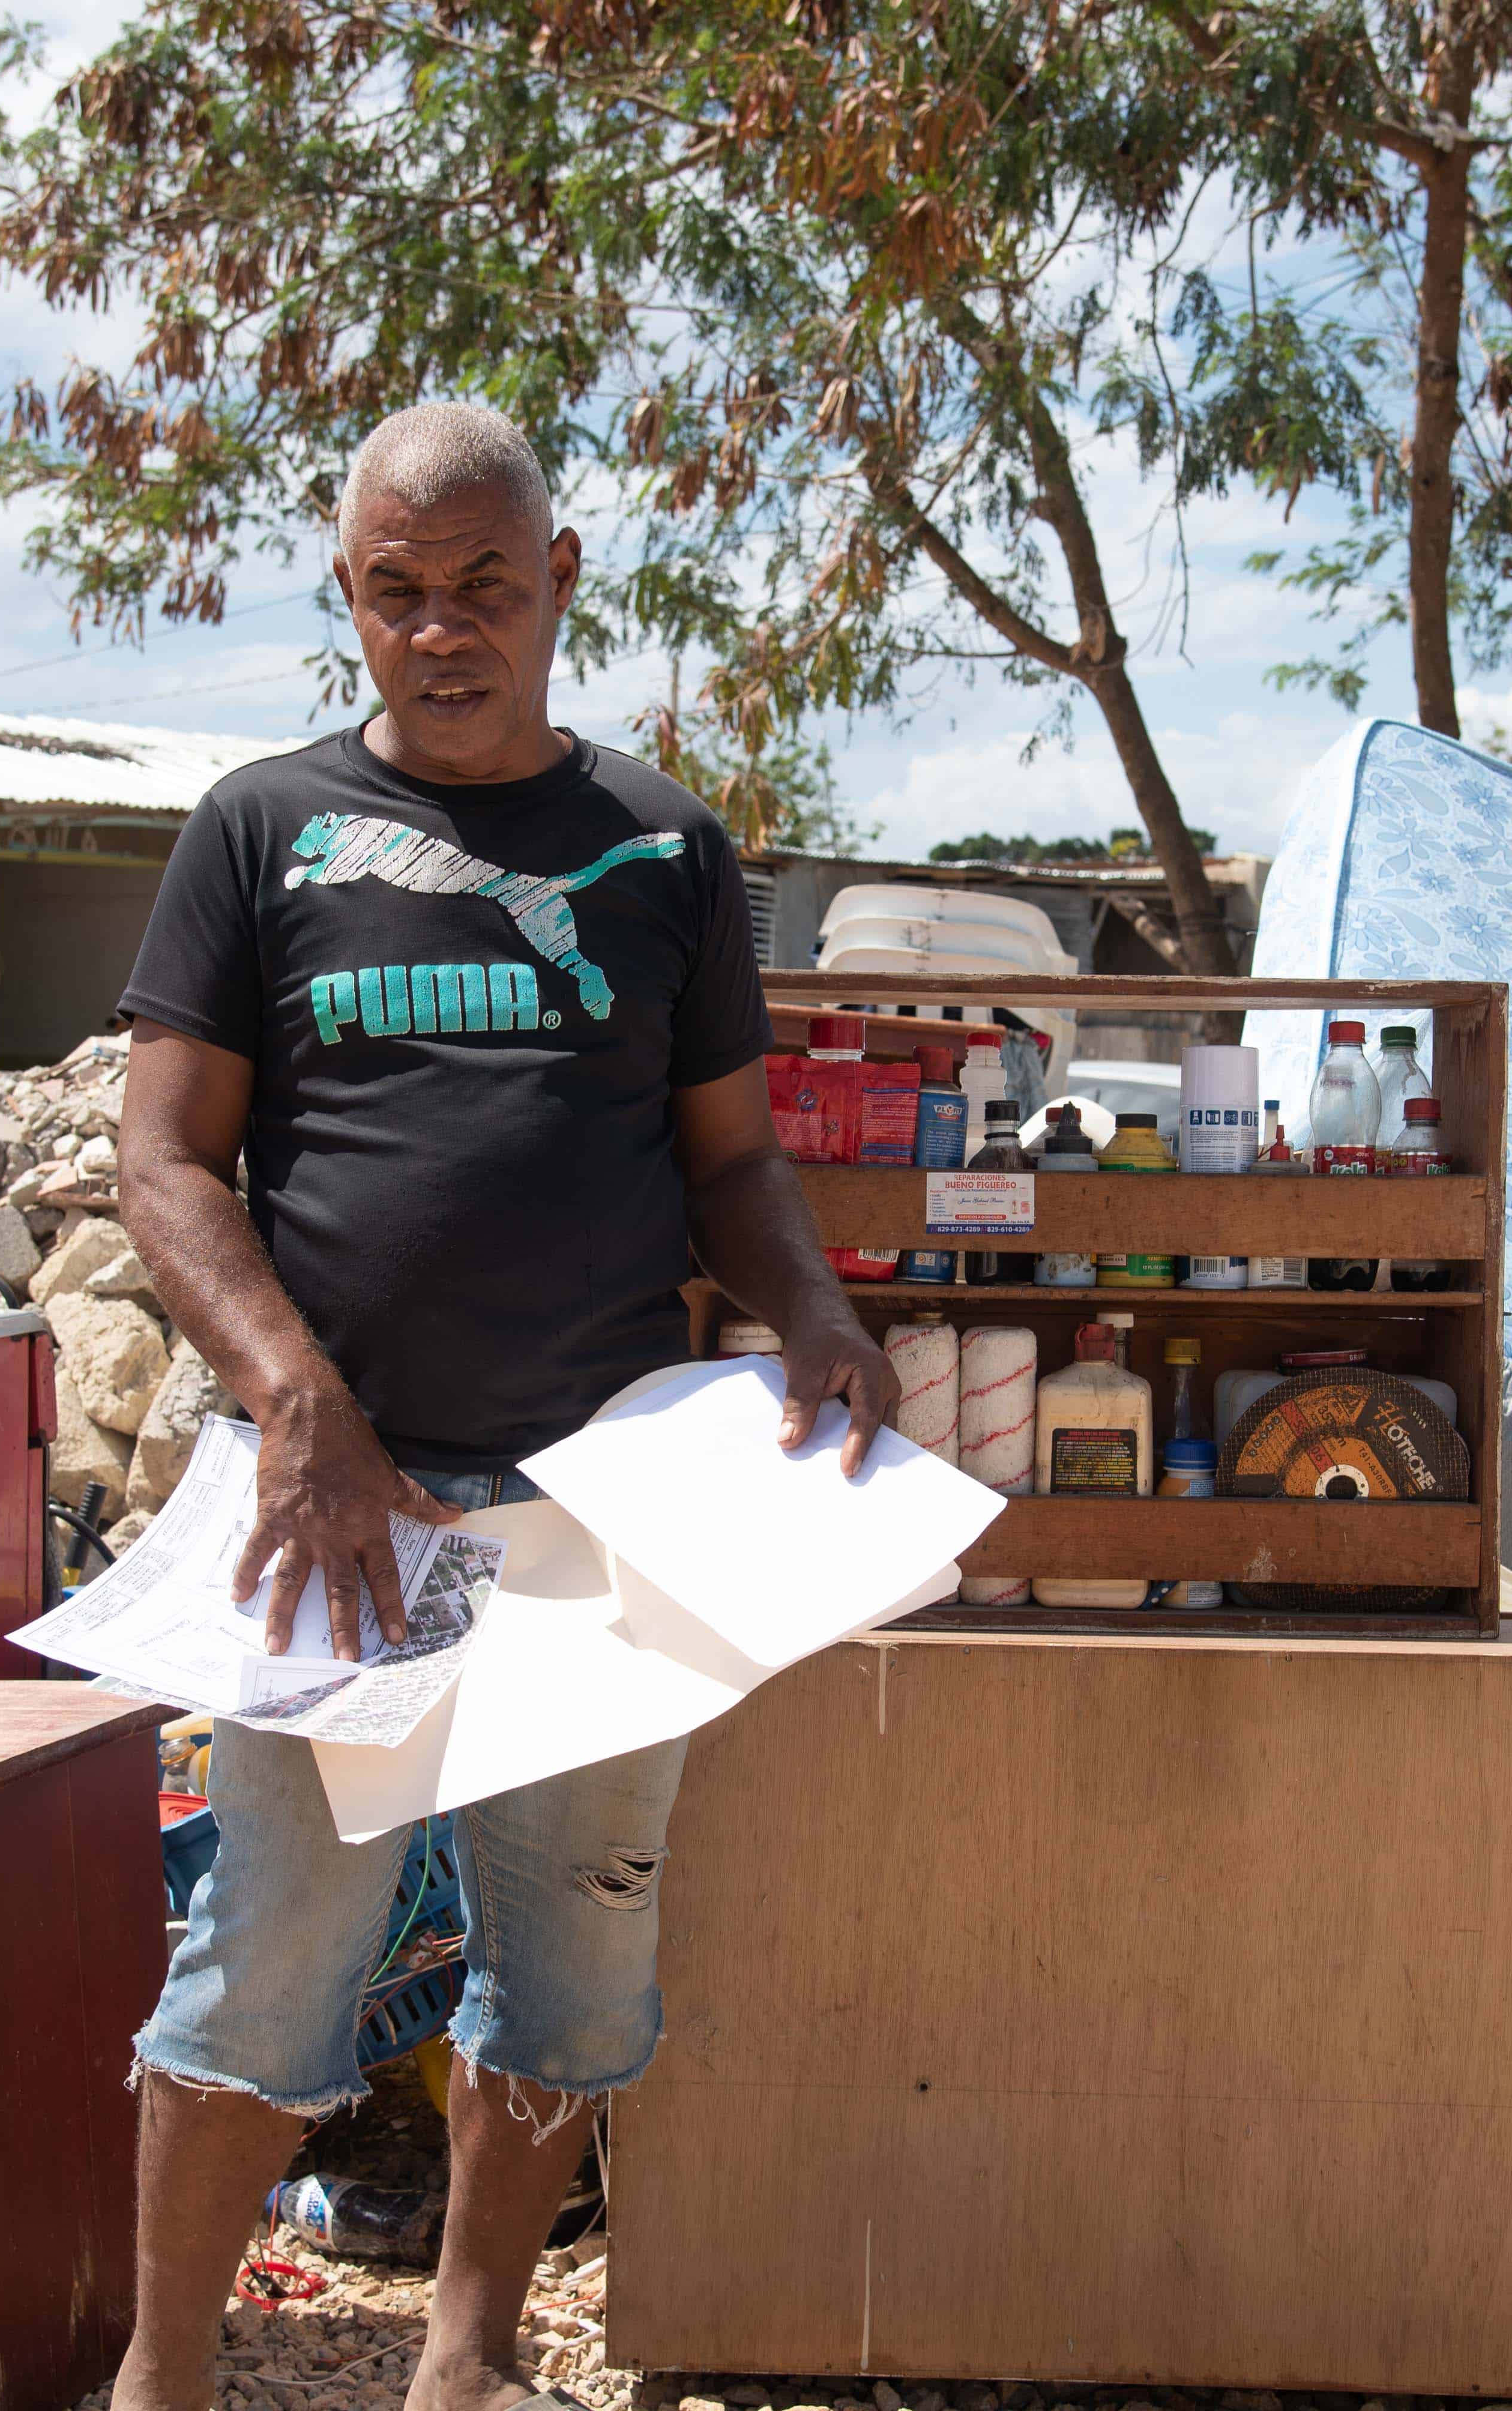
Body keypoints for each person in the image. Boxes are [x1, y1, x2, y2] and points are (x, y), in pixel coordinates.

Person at [109, 400, 894, 2411]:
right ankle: (165, 2377)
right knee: (271, 1968)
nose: (441, 628)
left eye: (483, 586)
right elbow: (167, 1162)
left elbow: (727, 1157)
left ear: (560, 589)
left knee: (570, 1970)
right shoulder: (261, 829)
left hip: (602, 1513)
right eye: (397, 590)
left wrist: (804, 1300)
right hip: (339, 1516)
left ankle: (464, 2361)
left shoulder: (661, 848)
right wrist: (296, 1399)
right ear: (350, 603)